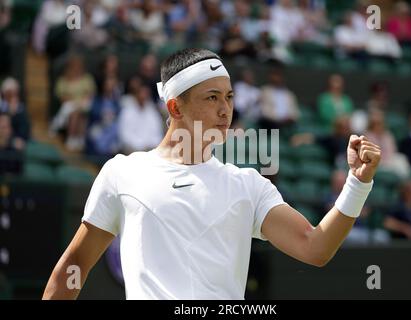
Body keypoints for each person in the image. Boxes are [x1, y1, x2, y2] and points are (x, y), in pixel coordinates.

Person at [43, 48, 381, 300]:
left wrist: (358, 183)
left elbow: (315, 247)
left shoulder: (248, 185)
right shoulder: (122, 172)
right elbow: (73, 268)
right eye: (212, 97)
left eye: (230, 97)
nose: (225, 109)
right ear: (175, 106)